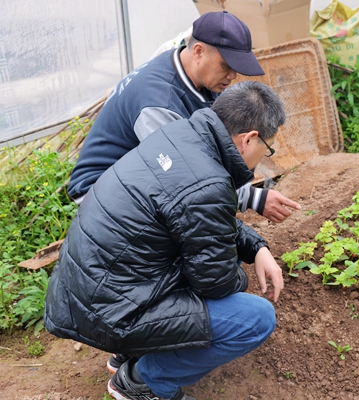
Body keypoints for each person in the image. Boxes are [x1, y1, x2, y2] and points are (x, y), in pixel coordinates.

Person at [44, 81, 286, 400]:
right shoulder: (208, 182)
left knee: (196, 264)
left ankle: (131, 352)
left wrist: (256, 247)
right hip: (108, 311)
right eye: (268, 149)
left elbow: (197, 215)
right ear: (249, 139)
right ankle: (143, 381)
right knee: (254, 317)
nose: (264, 156)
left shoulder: (180, 134)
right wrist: (238, 270)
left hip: (81, 296)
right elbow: (215, 283)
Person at [68, 10, 300, 223]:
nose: (232, 75)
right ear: (198, 51)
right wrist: (254, 199)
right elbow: (186, 179)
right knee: (192, 219)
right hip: (100, 192)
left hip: (141, 174)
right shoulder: (159, 104)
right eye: (226, 65)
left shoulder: (193, 72)